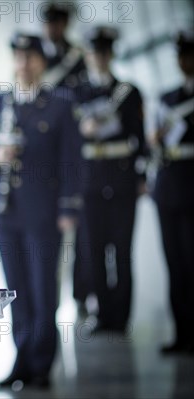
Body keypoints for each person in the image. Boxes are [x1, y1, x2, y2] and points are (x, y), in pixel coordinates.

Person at [0, 33, 81, 389]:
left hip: (44, 210)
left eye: (30, 58)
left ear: (42, 63)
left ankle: (41, 363)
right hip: (6, 212)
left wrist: (68, 207)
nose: (23, 64)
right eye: (18, 57)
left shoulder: (59, 104)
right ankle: (21, 359)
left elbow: (72, 159)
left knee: (44, 288)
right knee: (16, 289)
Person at [74, 27, 146, 333]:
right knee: (94, 251)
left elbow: (139, 140)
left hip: (122, 182)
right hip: (89, 183)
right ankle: (102, 314)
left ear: (111, 54)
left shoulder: (129, 92)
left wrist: (141, 176)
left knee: (123, 251)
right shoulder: (75, 92)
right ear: (87, 55)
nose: (99, 58)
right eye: (93, 52)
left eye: (103, 52)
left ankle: (122, 317)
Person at [150, 30, 194, 355]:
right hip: (169, 189)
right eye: (181, 56)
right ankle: (182, 332)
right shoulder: (168, 98)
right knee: (175, 263)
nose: (185, 62)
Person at [40, 3, 86, 89]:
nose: (51, 28)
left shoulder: (76, 52)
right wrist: (68, 62)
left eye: (57, 23)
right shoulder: (36, 51)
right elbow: (42, 83)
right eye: (49, 22)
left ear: (65, 24)